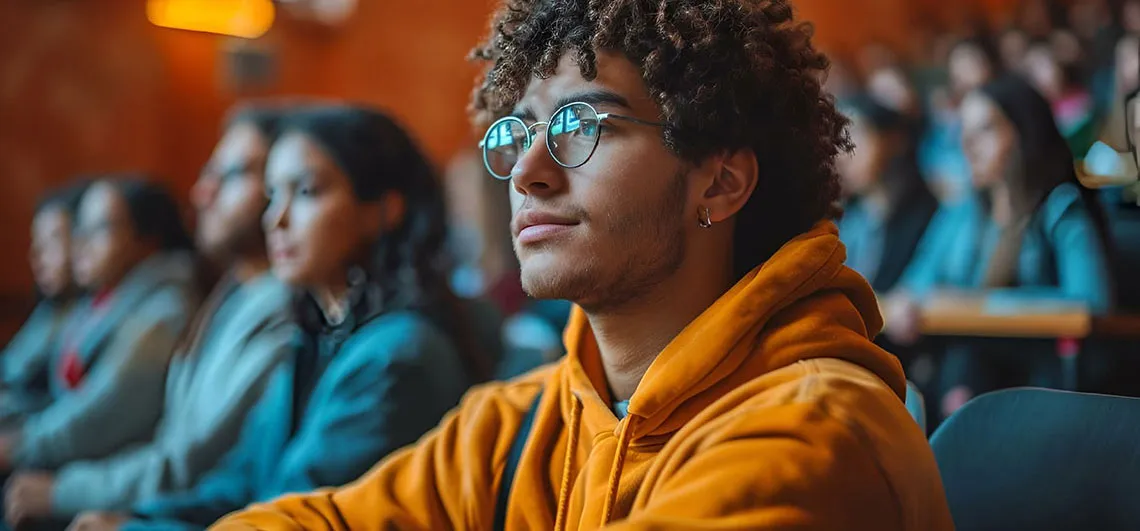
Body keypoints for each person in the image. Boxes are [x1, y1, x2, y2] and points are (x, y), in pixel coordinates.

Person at [210, 1, 954, 529]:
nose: (527, 170)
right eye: (520, 130)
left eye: (581, 125)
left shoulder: (818, 436)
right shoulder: (520, 420)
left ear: (719, 182)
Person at [69, 104, 491, 531]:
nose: (277, 219)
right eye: (272, 195)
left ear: (383, 210)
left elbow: (297, 514)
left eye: (306, 192)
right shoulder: (319, 334)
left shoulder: (398, 355)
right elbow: (241, 477)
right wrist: (138, 517)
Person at [3, 106, 300, 526]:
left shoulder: (275, 313)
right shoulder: (233, 295)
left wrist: (69, 491)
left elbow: (191, 464)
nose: (203, 192)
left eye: (233, 174)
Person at [885, 76, 1115, 416]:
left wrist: (982, 303)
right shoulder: (962, 210)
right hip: (967, 364)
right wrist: (906, 302)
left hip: (1042, 372)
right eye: (964, 132)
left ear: (1023, 132)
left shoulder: (1060, 207)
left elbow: (1093, 302)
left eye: (986, 130)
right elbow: (916, 281)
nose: (968, 145)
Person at [0, 177, 199, 478]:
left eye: (101, 228)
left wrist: (18, 447)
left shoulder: (164, 311)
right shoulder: (102, 300)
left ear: (146, 239)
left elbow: (98, 418)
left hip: (99, 478)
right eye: (80, 229)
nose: (80, 244)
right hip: (69, 464)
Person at [0, 182, 90, 425]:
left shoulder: (93, 319)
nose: (36, 257)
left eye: (52, 242)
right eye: (35, 243)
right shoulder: (50, 309)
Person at [838, 95, 940, 294]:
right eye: (841, 142)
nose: (844, 156)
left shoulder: (927, 212)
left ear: (894, 141)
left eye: (855, 137)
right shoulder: (850, 216)